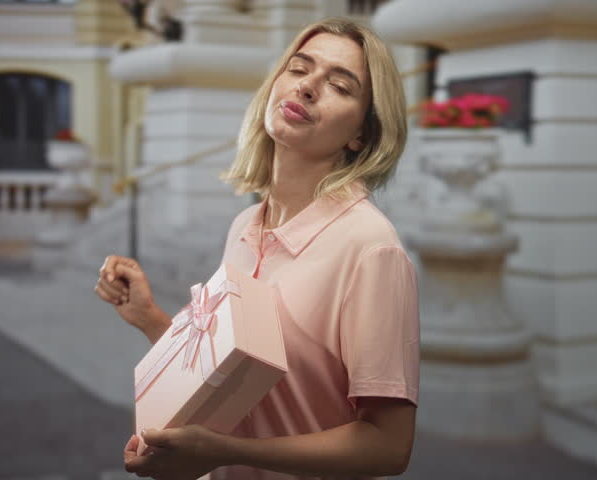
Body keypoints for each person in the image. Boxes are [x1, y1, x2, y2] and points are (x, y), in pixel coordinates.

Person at [94, 17, 419, 479]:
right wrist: (150, 318)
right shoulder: (246, 225)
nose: (307, 87)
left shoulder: (371, 248)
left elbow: (389, 446)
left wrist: (227, 451)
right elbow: (237, 371)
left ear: (360, 135)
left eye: (340, 86)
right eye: (299, 68)